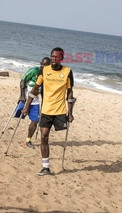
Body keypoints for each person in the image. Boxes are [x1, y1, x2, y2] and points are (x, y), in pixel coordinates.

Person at [22, 47, 75, 176]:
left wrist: (70, 112)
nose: (54, 59)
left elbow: (70, 93)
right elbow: (35, 89)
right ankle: (46, 167)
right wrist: (27, 106)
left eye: (57, 57)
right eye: (52, 57)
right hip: (46, 110)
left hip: (60, 111)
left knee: (57, 136)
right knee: (44, 136)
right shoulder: (44, 70)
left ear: (62, 58)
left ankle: (47, 166)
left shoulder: (67, 72)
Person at [15, 57, 50, 148]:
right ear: (40, 63)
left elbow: (43, 90)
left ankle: (28, 140)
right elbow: (22, 81)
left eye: (46, 65)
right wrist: (22, 95)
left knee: (35, 121)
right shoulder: (34, 70)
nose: (44, 66)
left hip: (35, 101)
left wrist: (44, 101)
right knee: (18, 116)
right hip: (25, 99)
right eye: (43, 64)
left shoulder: (47, 75)